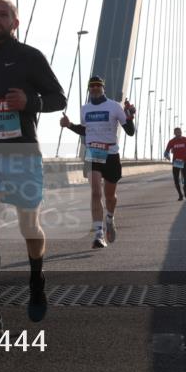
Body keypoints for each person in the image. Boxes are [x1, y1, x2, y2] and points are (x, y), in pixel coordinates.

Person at [0, 0, 66, 332]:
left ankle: (37, 278)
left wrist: (29, 102)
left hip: (22, 154)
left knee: (28, 228)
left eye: (3, 15)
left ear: (15, 23)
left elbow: (58, 98)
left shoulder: (30, 57)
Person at [60, 76, 135, 248]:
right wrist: (69, 124)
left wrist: (130, 116)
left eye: (97, 86)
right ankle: (98, 234)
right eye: (91, 86)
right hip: (94, 153)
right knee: (95, 193)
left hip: (111, 154)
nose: (94, 88)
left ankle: (109, 217)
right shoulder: (84, 109)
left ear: (103, 88)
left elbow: (130, 132)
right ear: (88, 89)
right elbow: (86, 130)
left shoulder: (114, 106)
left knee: (110, 196)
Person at [164, 127, 186, 201]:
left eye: (179, 132)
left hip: (184, 161)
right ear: (174, 133)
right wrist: (167, 155)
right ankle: (180, 195)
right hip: (176, 162)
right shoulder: (172, 141)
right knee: (176, 179)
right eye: (176, 132)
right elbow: (166, 151)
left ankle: (185, 188)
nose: (178, 133)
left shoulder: (185, 139)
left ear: (181, 132)